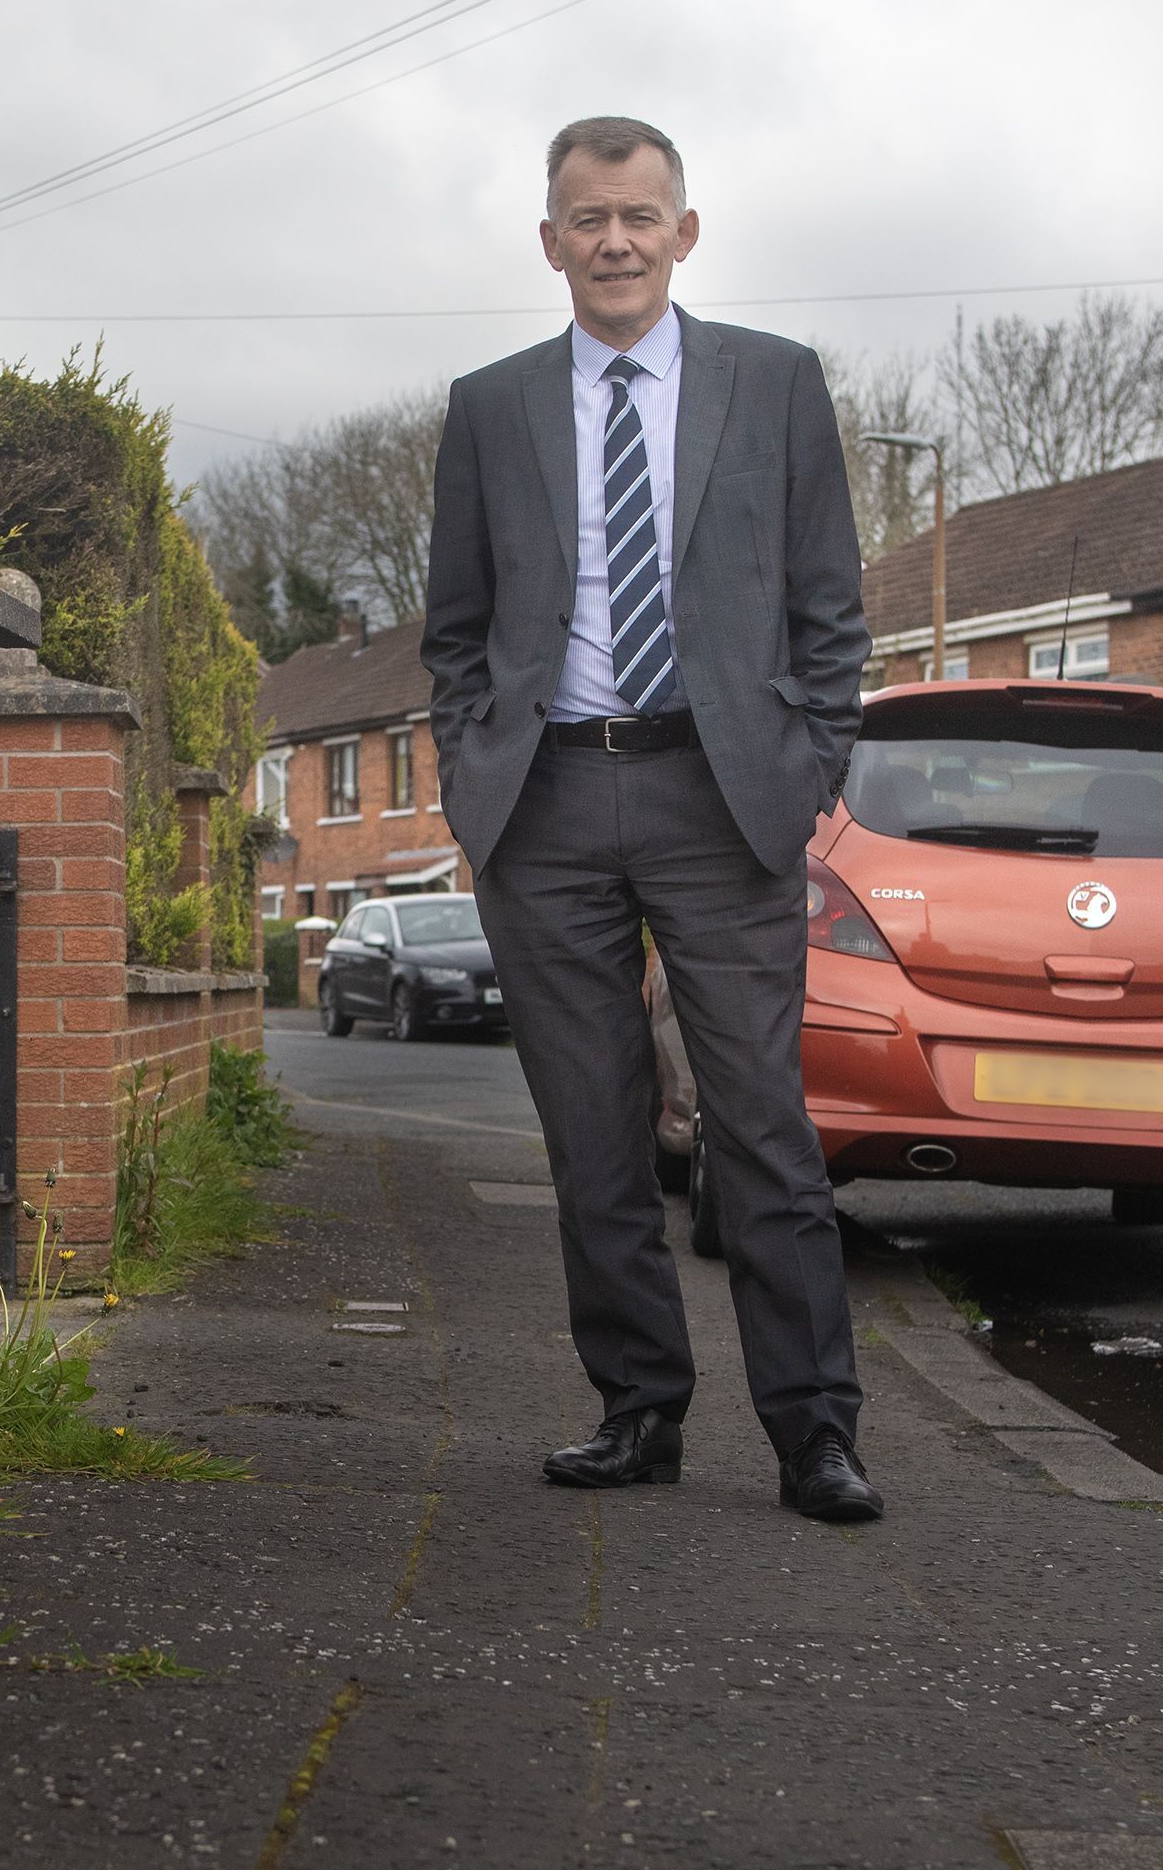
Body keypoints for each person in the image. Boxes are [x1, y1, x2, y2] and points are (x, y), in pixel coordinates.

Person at [420, 116, 882, 1522]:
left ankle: (816, 1431)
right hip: (545, 797)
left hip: (721, 789)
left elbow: (830, 610)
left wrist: (808, 769)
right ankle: (639, 1408)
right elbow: (455, 628)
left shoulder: (776, 384)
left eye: (638, 215)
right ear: (549, 240)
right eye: (586, 218)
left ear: (685, 231)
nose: (613, 240)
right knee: (592, 1128)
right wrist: (472, 772)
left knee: (760, 1123)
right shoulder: (490, 408)